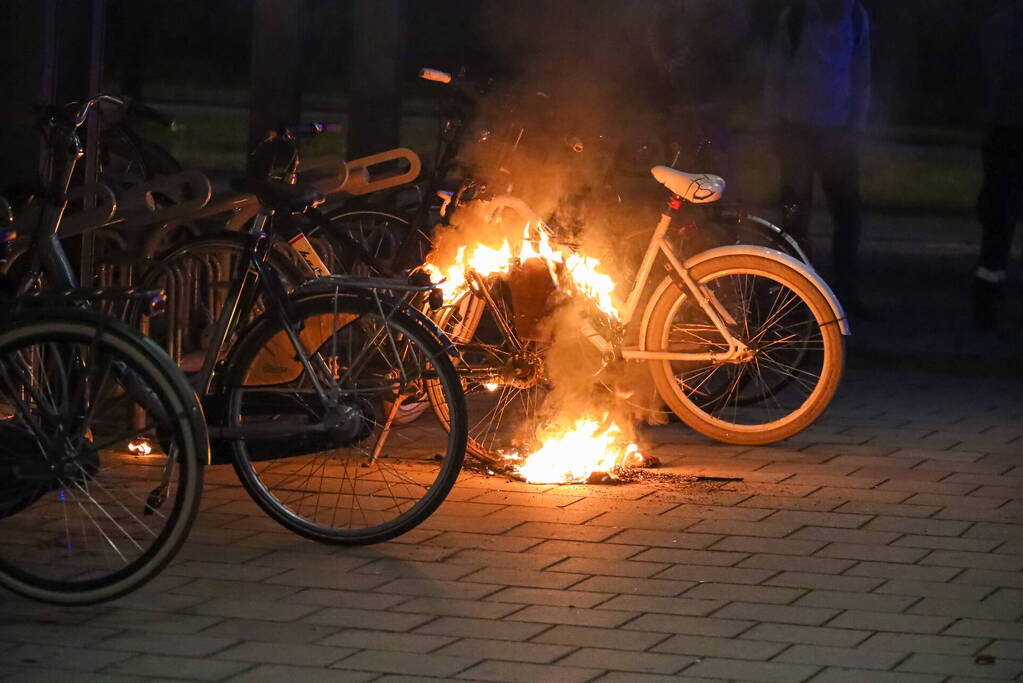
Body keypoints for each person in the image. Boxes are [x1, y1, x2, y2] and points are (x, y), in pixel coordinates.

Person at [764, 0, 873, 318]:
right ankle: (795, 296)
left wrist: (855, 127)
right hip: (795, 130)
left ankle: (844, 294)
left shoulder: (855, 17)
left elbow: (861, 74)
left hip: (837, 134)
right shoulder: (796, 16)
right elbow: (776, 73)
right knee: (796, 218)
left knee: (848, 217)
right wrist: (775, 125)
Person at [973, 4, 1023, 330]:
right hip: (1008, 132)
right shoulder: (1004, 25)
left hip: (1002, 131)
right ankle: (987, 302)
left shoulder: (998, 23)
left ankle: (987, 301)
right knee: (999, 219)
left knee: (998, 220)